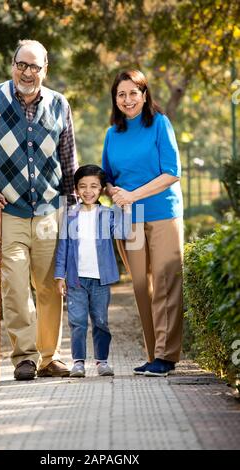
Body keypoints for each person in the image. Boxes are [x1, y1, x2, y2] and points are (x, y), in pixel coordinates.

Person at [0, 39, 78, 380]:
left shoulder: (59, 105)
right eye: (21, 64)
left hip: (47, 214)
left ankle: (49, 357)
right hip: (6, 212)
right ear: (13, 64)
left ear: (45, 69)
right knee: (14, 284)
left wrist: (71, 208)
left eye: (34, 67)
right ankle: (24, 357)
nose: (27, 72)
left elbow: (68, 162)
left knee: (48, 287)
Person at [102, 70, 183, 377]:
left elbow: (172, 172)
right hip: (130, 219)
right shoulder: (113, 133)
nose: (128, 99)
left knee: (165, 281)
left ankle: (166, 355)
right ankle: (153, 355)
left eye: (133, 93)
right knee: (140, 286)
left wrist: (134, 194)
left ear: (145, 94)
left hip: (163, 213)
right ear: (115, 100)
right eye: (121, 95)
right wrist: (114, 193)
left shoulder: (160, 124)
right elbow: (107, 177)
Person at [54, 164, 130, 377]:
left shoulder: (107, 214)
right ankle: (78, 362)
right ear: (76, 190)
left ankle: (102, 361)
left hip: (100, 280)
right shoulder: (69, 215)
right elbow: (63, 247)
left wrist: (125, 207)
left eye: (94, 186)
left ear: (101, 190)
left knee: (101, 321)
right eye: (83, 186)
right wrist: (59, 276)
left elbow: (123, 232)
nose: (88, 191)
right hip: (75, 280)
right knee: (77, 322)